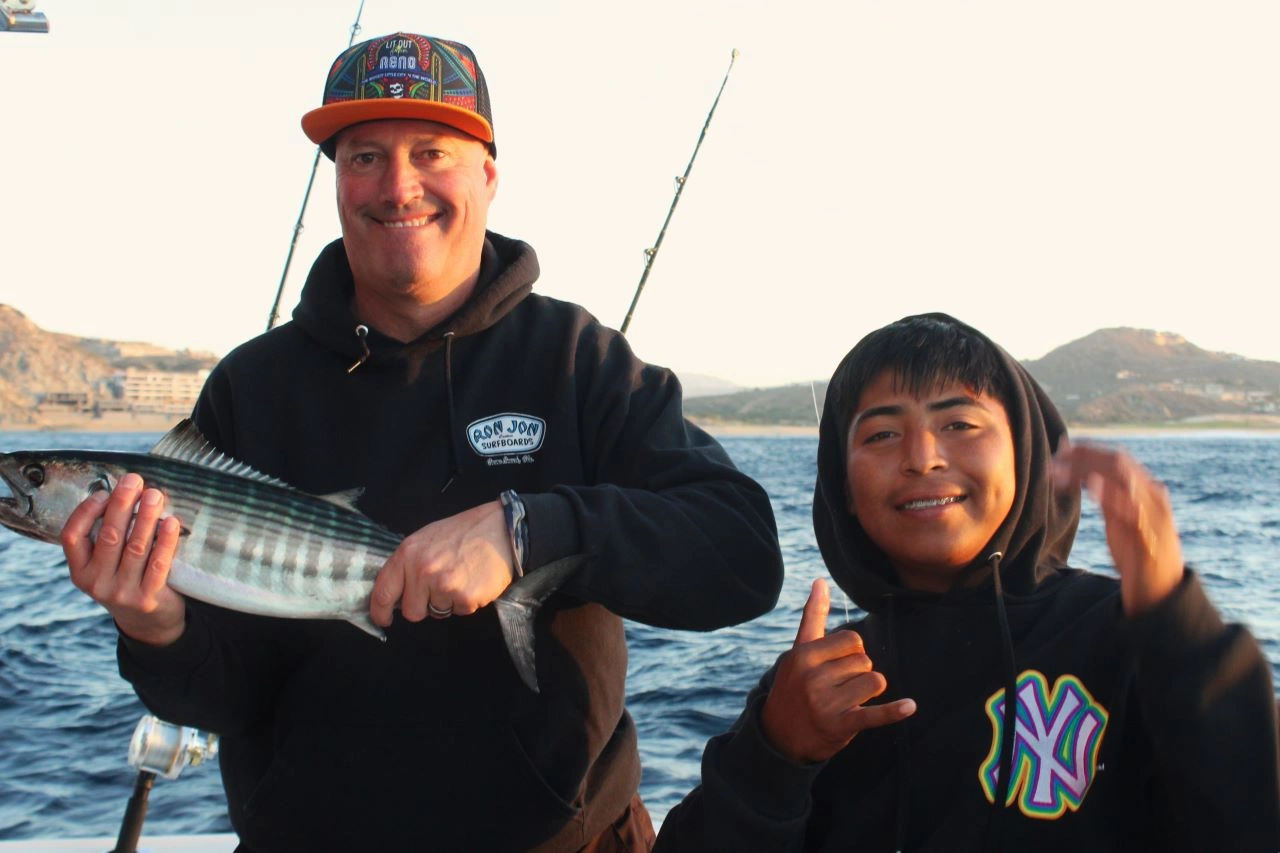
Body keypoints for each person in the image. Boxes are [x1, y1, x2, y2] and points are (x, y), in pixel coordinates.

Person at [58, 32, 784, 852]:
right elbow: (228, 696)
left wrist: (527, 530)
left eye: (431, 151)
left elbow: (743, 557)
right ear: (334, 182)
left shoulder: (581, 361)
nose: (397, 186)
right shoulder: (253, 389)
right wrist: (156, 627)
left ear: (489, 174)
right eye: (364, 156)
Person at [654, 312, 1280, 851]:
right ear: (842, 485)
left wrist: (1178, 622)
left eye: (960, 424)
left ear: (1026, 452)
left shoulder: (1131, 639)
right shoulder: (818, 687)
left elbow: (1250, 821)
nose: (923, 456)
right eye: (882, 433)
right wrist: (776, 754)